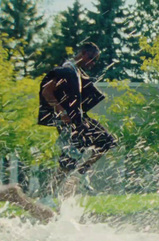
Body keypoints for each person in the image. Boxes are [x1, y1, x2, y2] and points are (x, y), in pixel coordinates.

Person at [38, 42, 116, 194]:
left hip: (79, 120)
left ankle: (81, 172)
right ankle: (48, 194)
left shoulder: (77, 72)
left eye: (95, 61)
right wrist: (61, 111)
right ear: (84, 54)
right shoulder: (66, 70)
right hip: (68, 122)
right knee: (68, 160)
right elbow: (46, 92)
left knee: (106, 141)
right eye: (92, 59)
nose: (93, 63)